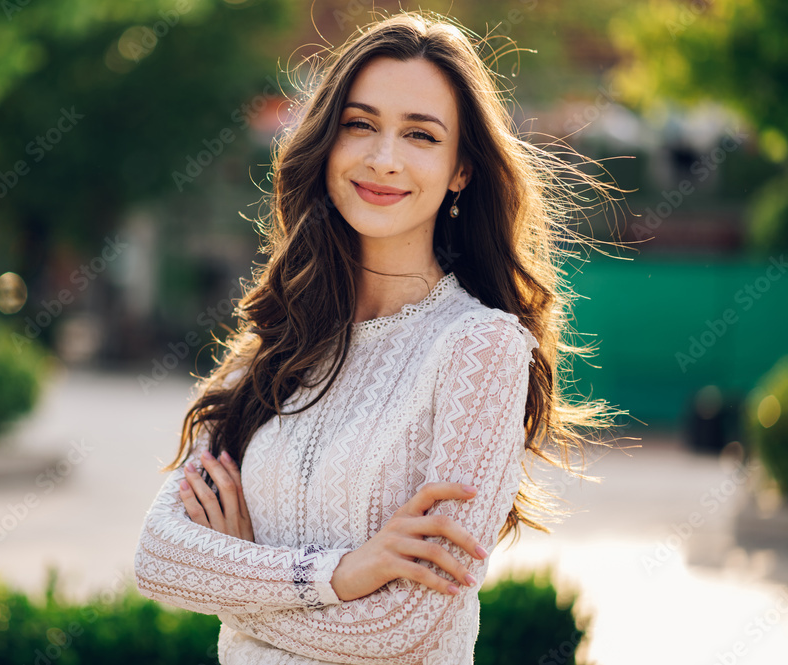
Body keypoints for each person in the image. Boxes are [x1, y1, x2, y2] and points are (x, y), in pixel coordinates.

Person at [135, 10, 626, 664]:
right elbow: (159, 555)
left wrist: (241, 581)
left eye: (420, 135)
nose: (382, 158)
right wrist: (344, 573)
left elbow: (406, 625)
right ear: (328, 143)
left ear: (461, 171)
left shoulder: (480, 349)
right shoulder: (276, 344)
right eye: (359, 125)